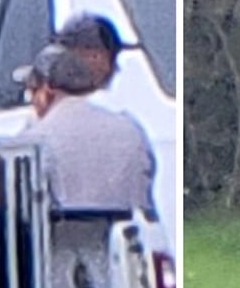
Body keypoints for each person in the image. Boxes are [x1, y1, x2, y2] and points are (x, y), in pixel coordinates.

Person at [14, 42, 155, 212]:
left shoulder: (35, 141)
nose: (33, 102)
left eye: (33, 91)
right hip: (126, 235)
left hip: (64, 237)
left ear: (47, 89)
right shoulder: (130, 129)